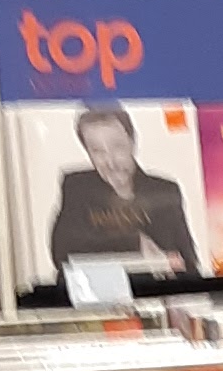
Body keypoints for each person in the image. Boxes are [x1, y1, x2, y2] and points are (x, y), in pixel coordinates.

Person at [45, 104, 199, 282]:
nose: (110, 162)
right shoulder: (77, 187)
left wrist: (177, 273)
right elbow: (62, 253)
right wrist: (135, 243)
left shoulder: (165, 191)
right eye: (97, 151)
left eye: (117, 147)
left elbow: (189, 262)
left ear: (132, 142)